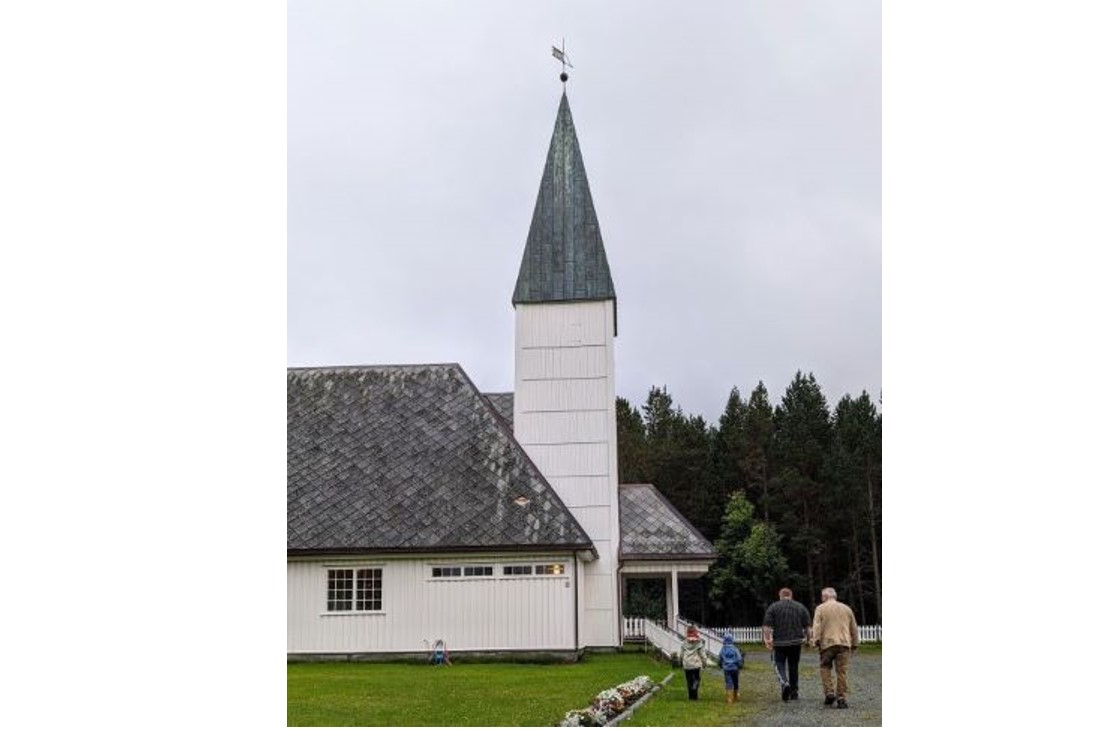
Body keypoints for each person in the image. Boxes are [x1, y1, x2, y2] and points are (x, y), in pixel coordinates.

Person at [811, 586, 860, 709]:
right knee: (842, 672)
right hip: (844, 644)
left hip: (827, 644)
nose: (821, 598)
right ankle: (841, 698)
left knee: (825, 667)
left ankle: (829, 692)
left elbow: (817, 626)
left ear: (826, 596)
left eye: (822, 596)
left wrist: (815, 640)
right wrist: (855, 643)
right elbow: (853, 627)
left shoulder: (820, 608)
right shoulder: (846, 608)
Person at [762, 587, 812, 702]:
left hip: (780, 642)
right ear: (791, 595)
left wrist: (767, 639)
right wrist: (808, 640)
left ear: (780, 596)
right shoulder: (800, 607)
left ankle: (784, 683)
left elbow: (767, 626)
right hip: (796, 642)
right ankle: (794, 693)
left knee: (779, 664)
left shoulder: (773, 607)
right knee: (793, 666)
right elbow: (808, 627)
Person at [680, 626, 711, 700]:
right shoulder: (699, 642)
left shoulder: (684, 642)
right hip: (696, 664)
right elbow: (702, 654)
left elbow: (681, 654)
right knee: (697, 678)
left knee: (689, 680)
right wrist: (704, 662)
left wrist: (680, 661)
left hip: (687, 664)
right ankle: (695, 694)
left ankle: (691, 697)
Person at [718, 632, 744, 703]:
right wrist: (740, 665)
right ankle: (736, 695)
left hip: (726, 668)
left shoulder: (723, 649)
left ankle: (729, 698)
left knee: (728, 683)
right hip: (735, 668)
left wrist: (720, 665)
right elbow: (739, 658)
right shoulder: (735, 649)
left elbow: (720, 658)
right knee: (735, 682)